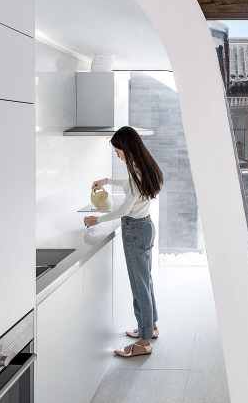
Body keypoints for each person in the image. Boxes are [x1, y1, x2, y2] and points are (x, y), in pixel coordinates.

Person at [84, 126, 163, 358]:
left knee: (140, 286)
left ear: (127, 148)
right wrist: (107, 180)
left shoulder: (137, 172)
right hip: (144, 227)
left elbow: (123, 210)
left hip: (135, 230)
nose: (118, 156)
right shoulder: (143, 167)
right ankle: (150, 327)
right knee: (145, 282)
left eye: (118, 152)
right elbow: (129, 184)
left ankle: (144, 342)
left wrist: (97, 219)